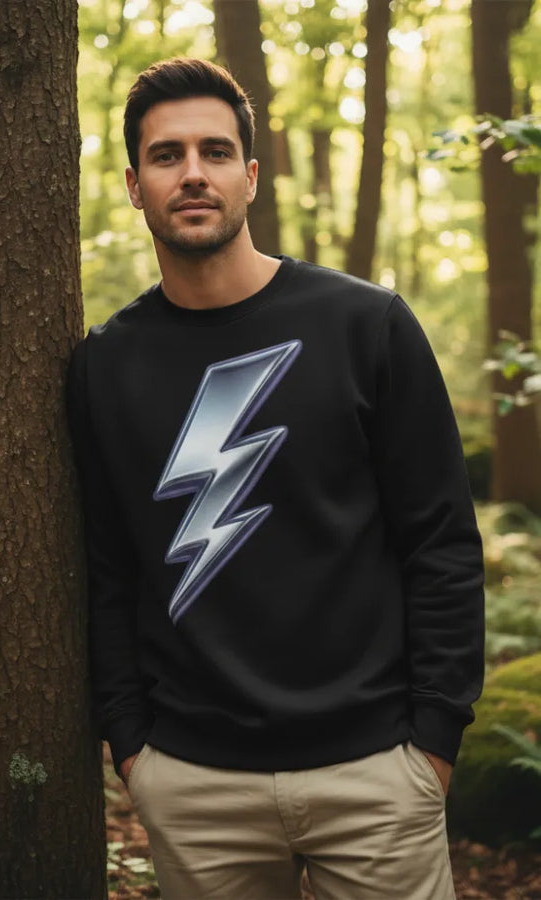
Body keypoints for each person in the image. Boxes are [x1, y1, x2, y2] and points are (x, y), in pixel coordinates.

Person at [66, 57, 485, 900]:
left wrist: (434, 739)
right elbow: (108, 570)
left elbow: (440, 541)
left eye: (216, 152)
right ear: (133, 184)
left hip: (375, 775)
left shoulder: (366, 326)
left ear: (250, 177)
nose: (193, 173)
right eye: (166, 155)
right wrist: (132, 746)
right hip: (193, 784)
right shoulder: (104, 368)